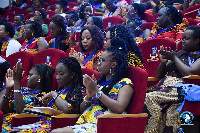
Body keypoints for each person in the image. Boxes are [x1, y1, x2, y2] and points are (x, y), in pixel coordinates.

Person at [51, 45, 134, 133]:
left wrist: (96, 91)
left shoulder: (125, 83)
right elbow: (82, 110)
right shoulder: (99, 82)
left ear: (113, 64)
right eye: (99, 59)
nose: (99, 63)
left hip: (105, 125)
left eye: (102, 60)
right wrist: (89, 96)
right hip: (86, 122)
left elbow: (119, 108)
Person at [145, 26, 200, 133]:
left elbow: (190, 72)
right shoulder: (179, 53)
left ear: (197, 41)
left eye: (187, 39)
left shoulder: (197, 56)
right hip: (164, 86)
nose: (182, 41)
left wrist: (174, 58)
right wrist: (163, 63)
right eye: (182, 38)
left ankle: (152, 130)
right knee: (168, 110)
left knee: (149, 97)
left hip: (182, 88)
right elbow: (159, 75)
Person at [0, 62, 55, 132]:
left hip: (20, 127)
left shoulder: (42, 96)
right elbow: (3, 110)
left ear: (40, 77)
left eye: (30, 75)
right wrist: (8, 89)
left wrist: (17, 83)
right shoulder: (23, 90)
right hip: (5, 122)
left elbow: (22, 113)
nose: (27, 78)